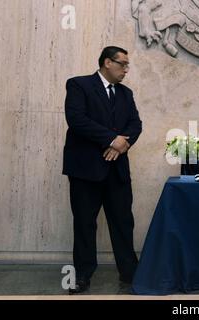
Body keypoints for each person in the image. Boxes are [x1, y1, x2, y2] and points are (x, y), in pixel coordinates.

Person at [63, 46, 143, 294]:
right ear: (107, 62)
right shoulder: (78, 85)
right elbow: (77, 120)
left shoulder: (126, 94)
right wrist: (111, 139)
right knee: (85, 224)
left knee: (122, 222)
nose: (126, 70)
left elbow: (135, 124)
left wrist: (120, 146)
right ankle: (83, 276)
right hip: (86, 170)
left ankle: (130, 274)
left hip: (116, 170)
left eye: (127, 65)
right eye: (123, 64)